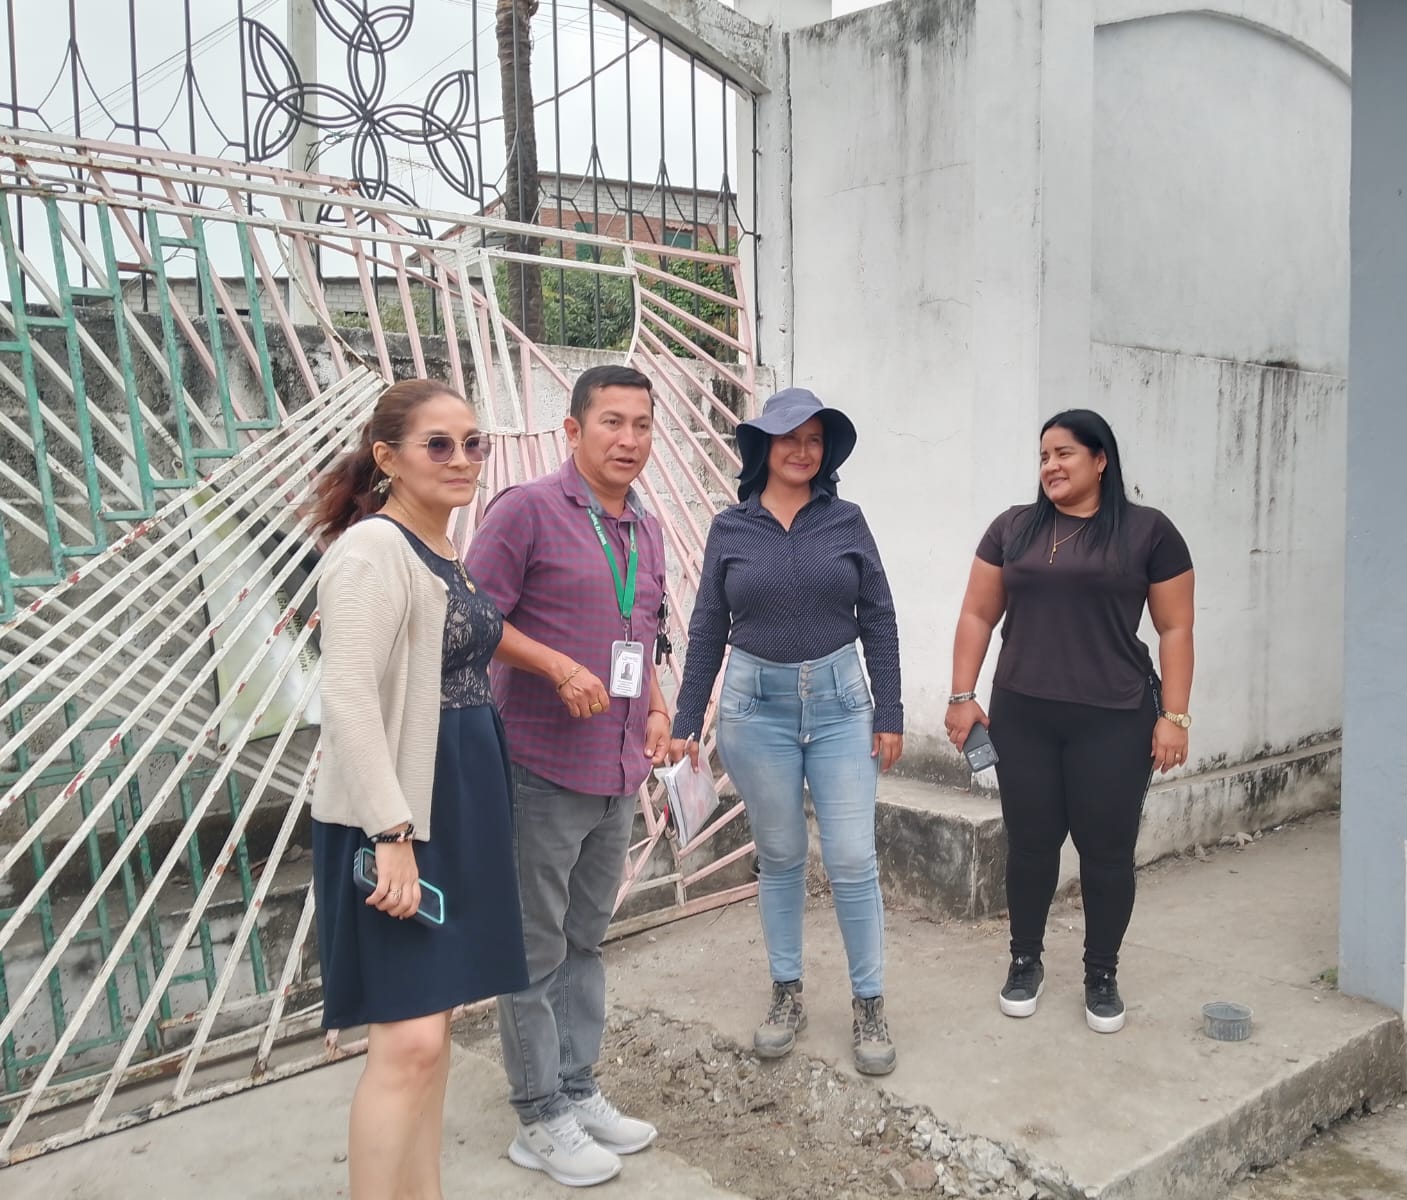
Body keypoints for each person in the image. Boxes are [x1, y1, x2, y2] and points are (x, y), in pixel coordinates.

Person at [307, 379, 529, 1200]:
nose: (462, 459)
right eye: (439, 444)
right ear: (388, 458)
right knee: (407, 1045)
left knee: (431, 1037)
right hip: (401, 813)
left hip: (458, 802)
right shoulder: (373, 549)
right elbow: (347, 695)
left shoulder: (438, 549)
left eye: (473, 443)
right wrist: (391, 833)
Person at [464, 365, 669, 1189]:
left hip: (616, 769)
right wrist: (552, 665)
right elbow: (471, 616)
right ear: (573, 430)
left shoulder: (645, 527)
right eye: (611, 422)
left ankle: (577, 1089)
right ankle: (538, 1114)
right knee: (534, 948)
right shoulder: (526, 511)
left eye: (641, 425)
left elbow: (644, 631)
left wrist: (657, 708)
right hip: (539, 769)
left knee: (585, 941)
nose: (629, 440)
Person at [668, 387, 904, 1076]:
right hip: (754, 710)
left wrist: (889, 711)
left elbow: (878, 617)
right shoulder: (730, 528)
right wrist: (686, 719)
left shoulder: (847, 521)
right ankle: (786, 993)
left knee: (853, 859)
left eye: (814, 439)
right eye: (788, 438)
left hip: (840, 707)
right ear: (762, 447)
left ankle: (869, 1002)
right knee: (780, 856)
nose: (802, 450)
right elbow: (707, 625)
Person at [944, 409, 1195, 1034]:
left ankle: (1101, 973)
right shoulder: (1013, 529)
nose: (1050, 466)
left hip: (1115, 718)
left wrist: (1174, 716)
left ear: (1100, 459)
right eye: (1043, 457)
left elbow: (1175, 628)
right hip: (1023, 713)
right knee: (1030, 845)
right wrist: (961, 695)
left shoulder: (1149, 532)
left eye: (1064, 454)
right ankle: (1024, 961)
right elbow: (977, 614)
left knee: (1106, 851)